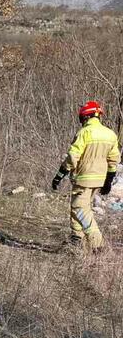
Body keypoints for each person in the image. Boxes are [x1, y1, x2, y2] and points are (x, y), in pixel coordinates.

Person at [51, 100, 120, 254]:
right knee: (79, 206)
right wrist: (108, 181)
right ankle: (76, 239)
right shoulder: (110, 134)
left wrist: (59, 176)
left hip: (84, 179)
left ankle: (97, 244)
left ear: (85, 117)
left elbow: (72, 156)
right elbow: (114, 159)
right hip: (100, 180)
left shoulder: (84, 133)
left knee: (80, 209)